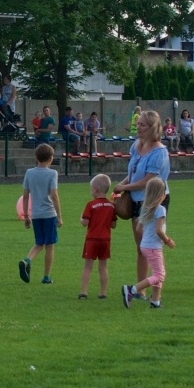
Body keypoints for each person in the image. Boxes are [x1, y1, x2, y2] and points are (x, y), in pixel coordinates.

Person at [114, 110, 171, 285]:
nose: (138, 127)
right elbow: (133, 173)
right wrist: (121, 185)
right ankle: (141, 288)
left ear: (152, 128)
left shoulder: (159, 152)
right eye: (138, 124)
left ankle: (152, 285)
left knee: (151, 246)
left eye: (142, 125)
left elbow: (148, 181)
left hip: (154, 200)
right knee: (141, 247)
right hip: (135, 199)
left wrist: (124, 187)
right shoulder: (136, 145)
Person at [122, 177, 175, 310]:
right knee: (159, 275)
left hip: (145, 245)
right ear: (161, 194)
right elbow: (158, 230)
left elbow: (139, 228)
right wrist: (167, 240)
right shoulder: (160, 209)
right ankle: (132, 290)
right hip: (153, 247)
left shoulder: (145, 208)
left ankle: (155, 302)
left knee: (158, 272)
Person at [18, 143, 61, 285]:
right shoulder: (52, 173)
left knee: (39, 243)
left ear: (36, 157)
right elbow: (54, 195)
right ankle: (46, 277)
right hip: (49, 214)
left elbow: (25, 196)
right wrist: (59, 216)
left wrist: (26, 216)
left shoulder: (29, 173)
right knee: (49, 245)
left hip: (36, 214)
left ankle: (27, 260)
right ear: (51, 158)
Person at [78, 173, 117, 299]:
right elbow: (113, 224)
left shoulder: (91, 205)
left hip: (92, 239)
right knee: (103, 266)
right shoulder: (111, 206)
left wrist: (81, 218)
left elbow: (85, 222)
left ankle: (84, 292)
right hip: (106, 240)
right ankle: (103, 293)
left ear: (95, 189)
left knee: (88, 266)